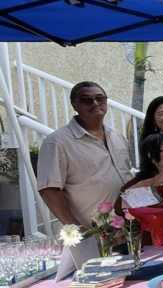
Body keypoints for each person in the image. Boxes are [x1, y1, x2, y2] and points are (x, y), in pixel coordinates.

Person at [38, 81, 134, 227]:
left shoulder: (117, 136)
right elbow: (49, 191)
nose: (95, 103)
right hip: (91, 234)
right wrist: (77, 230)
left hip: (126, 229)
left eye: (100, 98)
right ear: (74, 105)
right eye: (86, 100)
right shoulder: (57, 142)